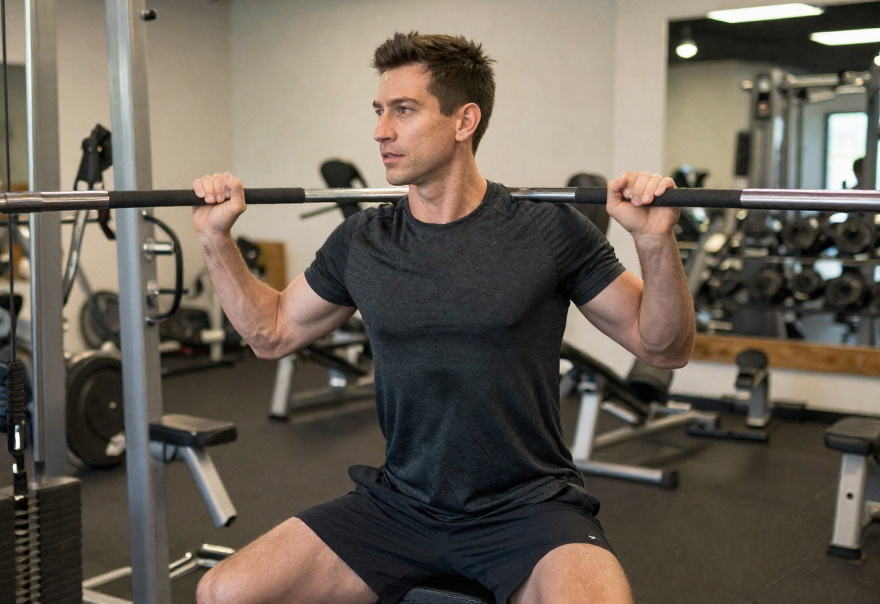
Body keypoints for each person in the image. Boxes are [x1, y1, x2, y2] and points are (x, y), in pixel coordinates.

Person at [189, 32, 695, 604]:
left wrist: (654, 242)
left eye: (403, 110)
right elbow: (270, 333)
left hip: (529, 509)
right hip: (401, 506)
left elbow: (664, 348)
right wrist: (214, 238)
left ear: (464, 121)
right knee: (223, 592)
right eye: (379, 111)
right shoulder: (363, 240)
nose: (381, 131)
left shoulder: (547, 230)